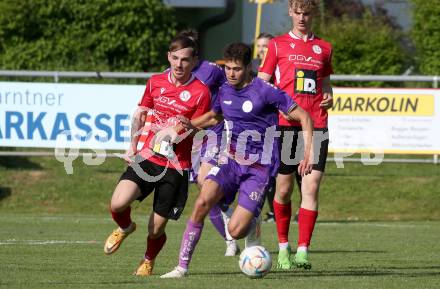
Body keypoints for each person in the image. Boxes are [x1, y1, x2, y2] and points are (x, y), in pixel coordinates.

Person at [159, 42, 313, 278]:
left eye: (237, 69)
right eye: (228, 68)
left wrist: (307, 152)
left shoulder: (265, 91)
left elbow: (304, 116)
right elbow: (214, 116)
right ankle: (181, 267)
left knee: (236, 229)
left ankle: (253, 222)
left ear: (249, 67)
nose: (231, 73)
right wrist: (191, 125)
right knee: (201, 203)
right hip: (229, 160)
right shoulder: (224, 89)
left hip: (259, 167)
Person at [103, 34, 211, 276]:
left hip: (175, 167)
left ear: (194, 61)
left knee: (155, 229)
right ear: (168, 57)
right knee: (118, 203)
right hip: (147, 158)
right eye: (175, 58)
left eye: (185, 59)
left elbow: (203, 125)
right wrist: (133, 146)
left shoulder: (201, 92)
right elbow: (141, 113)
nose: (179, 64)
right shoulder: (155, 82)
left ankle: (148, 260)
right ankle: (126, 227)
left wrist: (189, 126)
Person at [258, 0, 334, 270]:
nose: (302, 17)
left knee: (311, 187)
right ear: (290, 12)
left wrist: (329, 97)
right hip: (286, 125)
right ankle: (282, 246)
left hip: (317, 126)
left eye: (307, 13)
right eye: (298, 12)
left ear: (312, 14)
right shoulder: (277, 45)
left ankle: (303, 250)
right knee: (284, 189)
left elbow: (325, 83)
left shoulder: (324, 47)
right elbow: (262, 83)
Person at [177, 29, 240, 257]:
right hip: (190, 137)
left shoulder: (212, 70)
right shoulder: (172, 75)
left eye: (190, 52)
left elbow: (233, 87)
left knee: (206, 181)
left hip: (212, 132)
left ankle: (237, 227)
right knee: (206, 192)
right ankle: (230, 238)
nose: (184, 59)